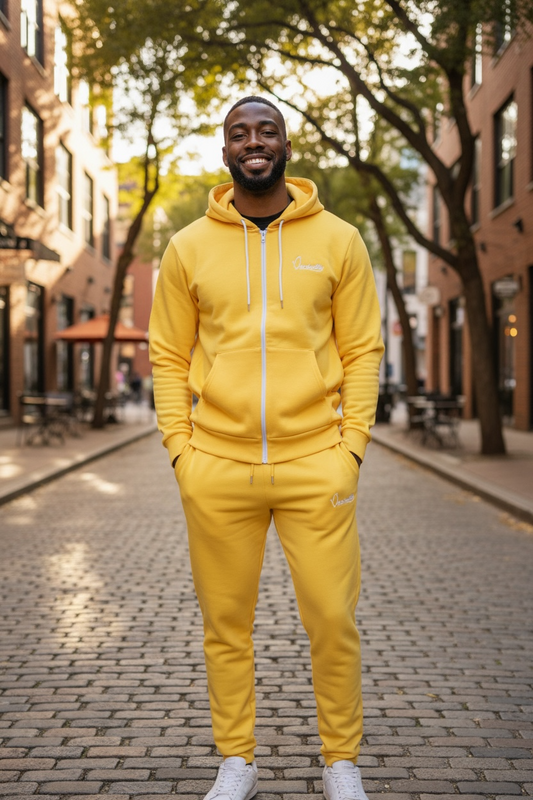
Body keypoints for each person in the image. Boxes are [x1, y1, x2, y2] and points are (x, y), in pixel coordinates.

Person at [149, 96, 384, 800]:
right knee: (225, 625)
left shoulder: (339, 240)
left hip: (317, 463)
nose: (254, 142)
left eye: (266, 131)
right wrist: (180, 453)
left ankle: (340, 761)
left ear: (286, 144)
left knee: (333, 620)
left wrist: (351, 449)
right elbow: (166, 354)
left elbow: (363, 349)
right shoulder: (188, 246)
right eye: (239, 133)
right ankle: (237, 762)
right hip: (216, 467)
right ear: (224, 151)